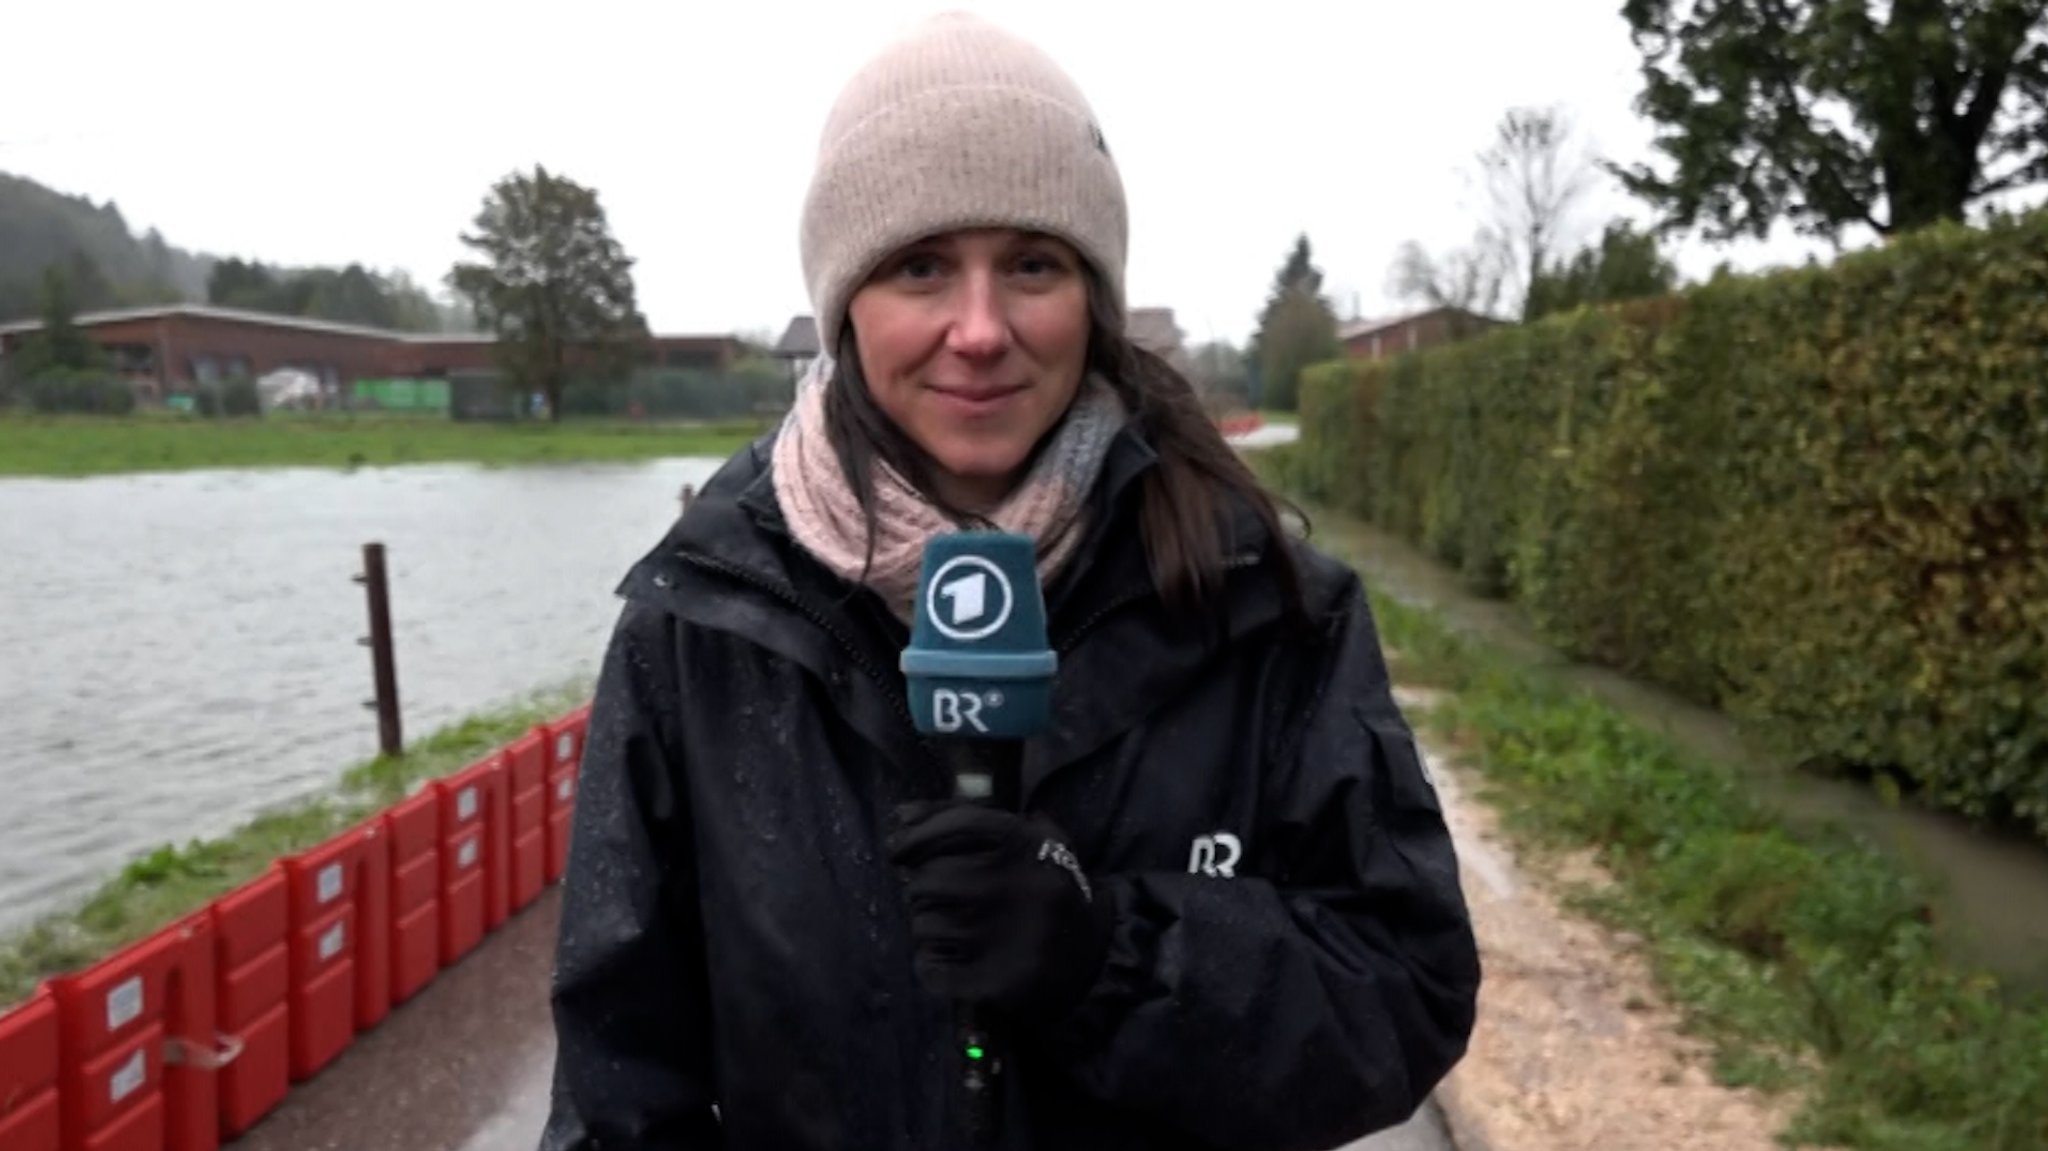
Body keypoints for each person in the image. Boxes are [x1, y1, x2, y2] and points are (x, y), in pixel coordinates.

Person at [539, 12, 1479, 1150]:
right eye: (920, 265)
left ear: (1091, 297)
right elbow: (617, 1083)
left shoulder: (1269, 608)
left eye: (1030, 264)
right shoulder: (702, 622)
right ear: (845, 308)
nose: (977, 330)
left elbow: (1401, 994)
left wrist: (1110, 954)